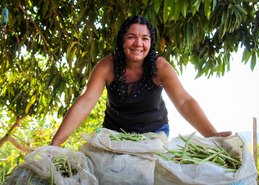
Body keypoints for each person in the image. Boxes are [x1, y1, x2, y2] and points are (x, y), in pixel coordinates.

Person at [50, 15, 232, 146]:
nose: (138, 43)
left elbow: (184, 102)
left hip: (154, 134)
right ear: (122, 41)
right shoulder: (106, 66)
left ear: (151, 43)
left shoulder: (161, 67)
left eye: (145, 38)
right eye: (131, 37)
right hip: (114, 134)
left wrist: (212, 135)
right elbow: (84, 103)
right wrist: (55, 144)